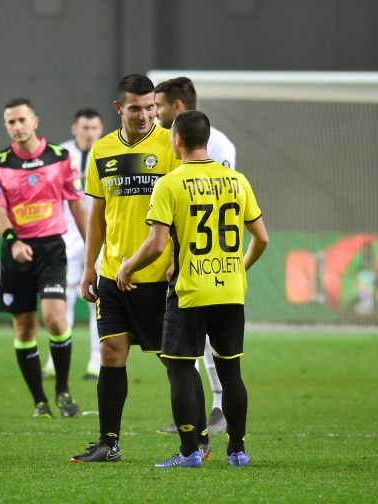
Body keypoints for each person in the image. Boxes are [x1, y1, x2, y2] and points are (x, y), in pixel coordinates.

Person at [116, 110, 268, 467]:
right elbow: (261, 238)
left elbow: (156, 245)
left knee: (181, 367)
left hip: (190, 291)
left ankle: (189, 452)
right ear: (207, 138)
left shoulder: (170, 183)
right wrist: (238, 267)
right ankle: (237, 450)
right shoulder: (237, 180)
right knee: (230, 370)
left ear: (178, 140)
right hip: (229, 290)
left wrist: (127, 266)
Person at [69, 74, 183, 463]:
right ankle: (108, 443)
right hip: (113, 272)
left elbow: (183, 208)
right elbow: (97, 215)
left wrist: (177, 258)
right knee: (111, 352)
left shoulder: (170, 144)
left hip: (157, 274)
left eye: (150, 107)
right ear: (119, 108)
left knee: (173, 359)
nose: (144, 115)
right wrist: (89, 267)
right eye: (135, 108)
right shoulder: (101, 150)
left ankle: (195, 440)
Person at [0, 98, 87, 419]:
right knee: (24, 329)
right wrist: (12, 241)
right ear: (6, 126)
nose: (17, 126)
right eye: (11, 122)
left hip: (51, 248)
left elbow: (77, 205)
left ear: (35, 121)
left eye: (22, 120)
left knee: (55, 318)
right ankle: (39, 401)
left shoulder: (61, 157)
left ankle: (63, 391)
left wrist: (94, 250)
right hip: (16, 251)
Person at [154, 76, 236, 434]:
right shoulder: (170, 144)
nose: (154, 113)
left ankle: (218, 408)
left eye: (158, 106)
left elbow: (214, 206)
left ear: (177, 107)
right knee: (192, 345)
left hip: (205, 260)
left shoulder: (217, 146)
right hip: (188, 258)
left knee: (208, 343)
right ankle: (200, 416)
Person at [42, 108, 104, 381]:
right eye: (84, 128)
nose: (89, 133)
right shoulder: (60, 155)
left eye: (94, 128)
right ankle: (55, 360)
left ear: (100, 130)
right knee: (61, 299)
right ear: (74, 129)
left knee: (97, 301)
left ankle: (96, 361)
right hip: (67, 237)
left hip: (99, 238)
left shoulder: (108, 153)